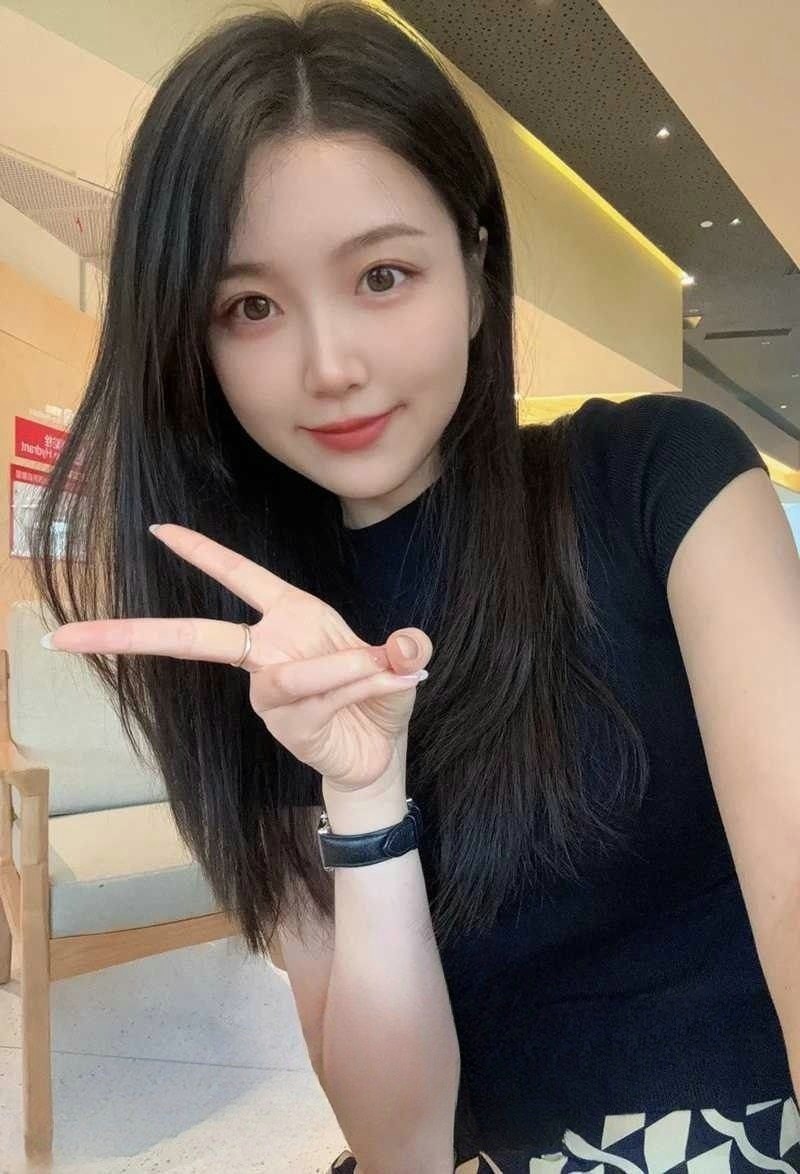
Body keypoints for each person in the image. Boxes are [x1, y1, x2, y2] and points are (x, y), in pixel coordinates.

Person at [30, 3, 800, 1171]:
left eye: (381, 275)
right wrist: (363, 793)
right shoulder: (254, 633)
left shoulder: (660, 479)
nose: (330, 365)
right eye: (250, 306)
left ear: (475, 275)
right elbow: (399, 1145)